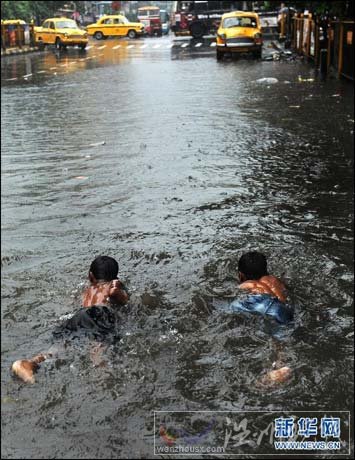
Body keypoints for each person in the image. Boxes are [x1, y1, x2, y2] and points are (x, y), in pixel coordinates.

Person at [11, 256, 129, 384]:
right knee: (99, 346)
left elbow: (73, 305)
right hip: (98, 314)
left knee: (61, 345)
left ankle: (29, 363)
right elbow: (125, 302)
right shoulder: (111, 286)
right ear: (115, 278)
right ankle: (102, 375)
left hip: (77, 316)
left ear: (90, 276)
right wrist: (118, 293)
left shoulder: (85, 292)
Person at [230, 251, 293, 325]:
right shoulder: (275, 281)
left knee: (232, 307)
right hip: (285, 310)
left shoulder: (249, 285)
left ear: (241, 275)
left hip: (266, 305)